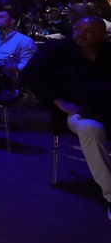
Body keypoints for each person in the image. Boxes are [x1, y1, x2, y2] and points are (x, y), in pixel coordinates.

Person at [23, 16, 111, 221]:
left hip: (107, 109)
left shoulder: (108, 52)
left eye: (88, 31)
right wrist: (57, 101)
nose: (80, 34)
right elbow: (30, 74)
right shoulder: (57, 50)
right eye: (78, 28)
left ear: (103, 36)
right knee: (90, 130)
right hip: (77, 110)